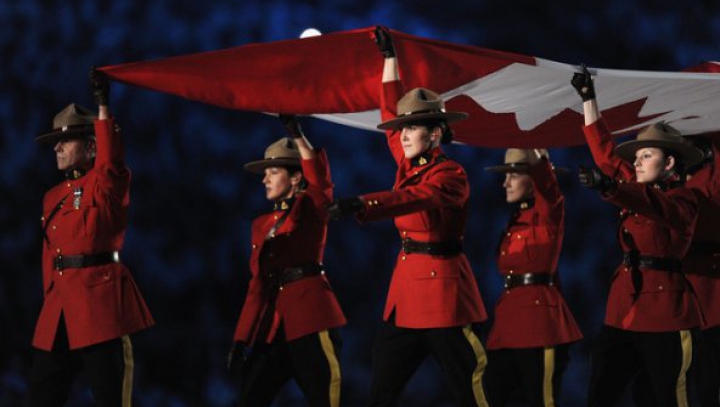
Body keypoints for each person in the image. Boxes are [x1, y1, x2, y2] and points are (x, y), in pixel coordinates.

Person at [327, 27, 489, 407]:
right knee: (381, 390)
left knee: (471, 390)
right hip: (407, 298)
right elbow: (389, 112)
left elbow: (416, 197)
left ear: (435, 135)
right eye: (403, 128)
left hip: (444, 297)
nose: (402, 134)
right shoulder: (408, 163)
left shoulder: (450, 174)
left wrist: (364, 205)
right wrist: (389, 61)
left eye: (412, 128)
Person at [572, 66, 704, 407]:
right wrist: (589, 100)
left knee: (664, 399)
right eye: (638, 157)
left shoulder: (684, 199)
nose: (639, 161)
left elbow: (654, 205)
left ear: (670, 162)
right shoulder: (633, 186)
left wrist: (612, 187)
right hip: (624, 310)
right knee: (600, 393)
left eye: (648, 155)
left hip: (666, 314)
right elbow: (606, 155)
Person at [28, 68, 154, 407]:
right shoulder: (53, 196)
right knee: (41, 395)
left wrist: (102, 105)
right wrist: (51, 296)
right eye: (55, 142)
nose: (57, 148)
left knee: (111, 399)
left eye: (65, 141)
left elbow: (111, 159)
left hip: (99, 313)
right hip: (59, 313)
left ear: (90, 145)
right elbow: (49, 256)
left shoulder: (105, 182)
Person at [228, 115, 346, 407]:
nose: (265, 179)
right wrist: (242, 338)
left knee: (324, 399)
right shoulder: (261, 224)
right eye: (265, 173)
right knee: (249, 398)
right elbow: (256, 285)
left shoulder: (310, 206)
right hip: (272, 328)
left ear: (295, 177)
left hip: (310, 318)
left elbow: (320, 181)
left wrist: (297, 135)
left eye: (273, 171)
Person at [483, 149, 583, 406]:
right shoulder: (516, 220)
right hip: (508, 324)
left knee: (541, 400)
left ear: (534, 179)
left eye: (513, 175)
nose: (505, 183)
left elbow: (549, 190)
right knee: (488, 394)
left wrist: (532, 148)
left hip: (539, 325)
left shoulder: (548, 215)